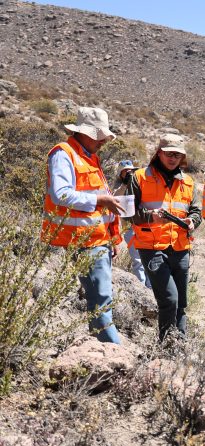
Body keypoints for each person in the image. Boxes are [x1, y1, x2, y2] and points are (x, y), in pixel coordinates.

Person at [41, 107, 124, 344]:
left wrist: (113, 238)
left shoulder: (89, 156)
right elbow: (61, 195)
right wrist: (101, 200)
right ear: (84, 133)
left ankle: (102, 352)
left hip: (98, 239)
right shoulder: (63, 154)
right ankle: (112, 353)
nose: (102, 142)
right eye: (98, 136)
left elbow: (102, 204)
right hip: (83, 240)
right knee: (101, 301)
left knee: (101, 299)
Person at [127, 134, 202, 341]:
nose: (173, 158)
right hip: (151, 247)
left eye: (177, 154)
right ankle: (167, 345)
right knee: (169, 299)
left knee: (181, 303)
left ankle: (180, 344)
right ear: (159, 153)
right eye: (169, 153)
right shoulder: (140, 177)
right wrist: (150, 218)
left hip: (180, 248)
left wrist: (192, 222)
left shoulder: (188, 182)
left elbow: (196, 212)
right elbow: (128, 213)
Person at [114, 160, 151, 288]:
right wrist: (125, 184)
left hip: (143, 227)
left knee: (149, 258)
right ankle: (142, 287)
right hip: (129, 229)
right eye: (127, 171)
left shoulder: (138, 183)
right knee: (137, 260)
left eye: (132, 170)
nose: (130, 173)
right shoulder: (119, 186)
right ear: (121, 173)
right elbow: (115, 197)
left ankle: (151, 286)